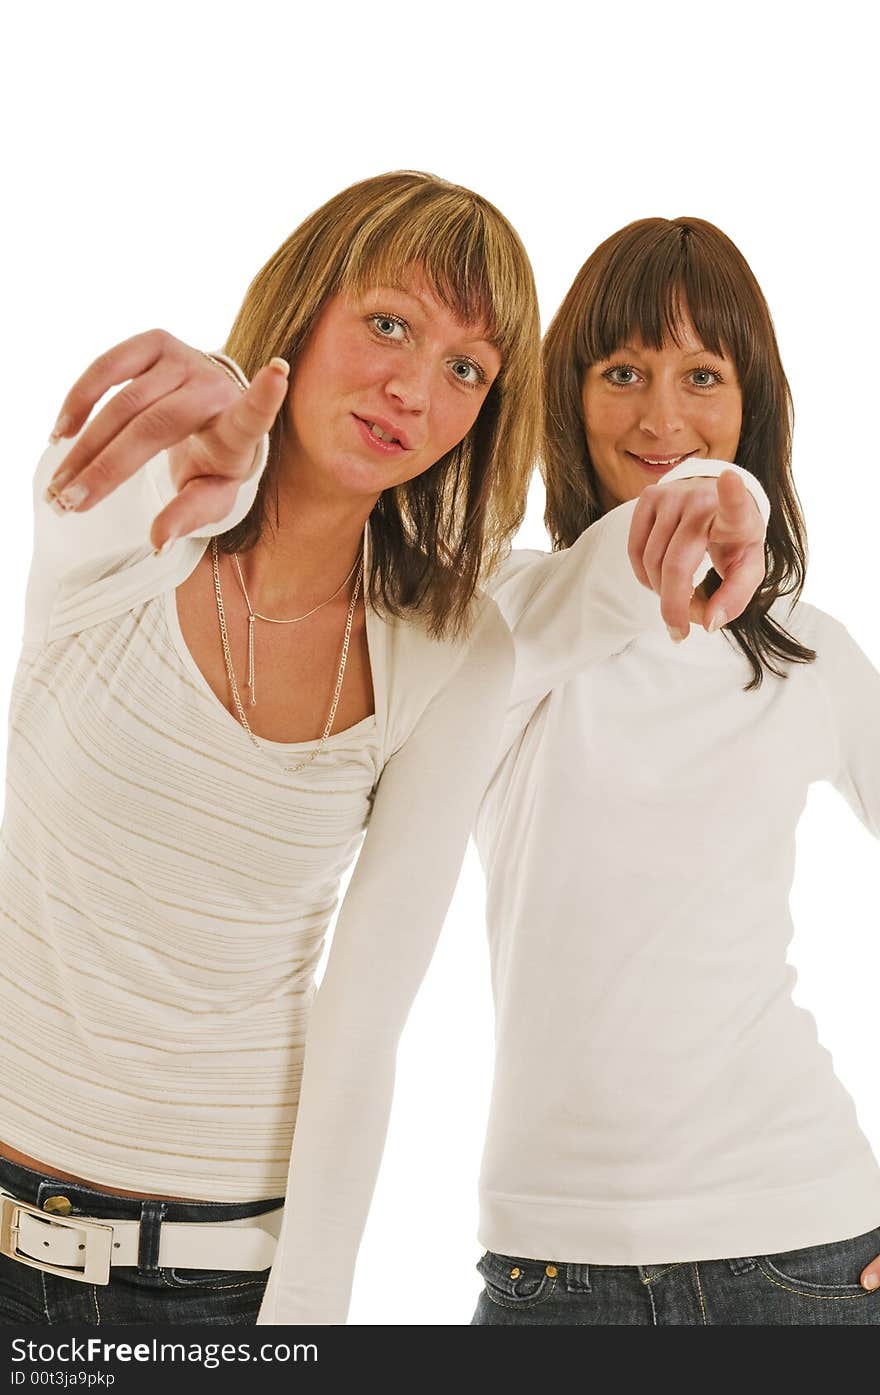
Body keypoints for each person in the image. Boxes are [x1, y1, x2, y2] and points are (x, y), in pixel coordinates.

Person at [1, 181, 769, 1327]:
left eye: (468, 368)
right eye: (390, 324)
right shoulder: (125, 527)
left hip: (212, 1279)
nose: (414, 388)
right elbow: (95, 498)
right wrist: (179, 460)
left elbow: (364, 1020)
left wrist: (725, 484)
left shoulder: (447, 649)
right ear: (303, 314)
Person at [471, 217, 880, 1326]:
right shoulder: (502, 618)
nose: (662, 416)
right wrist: (712, 500)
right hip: (549, 1266)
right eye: (622, 372)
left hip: (804, 1250)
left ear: (754, 403)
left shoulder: (810, 651)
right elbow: (594, 589)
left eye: (703, 374)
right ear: (568, 397)